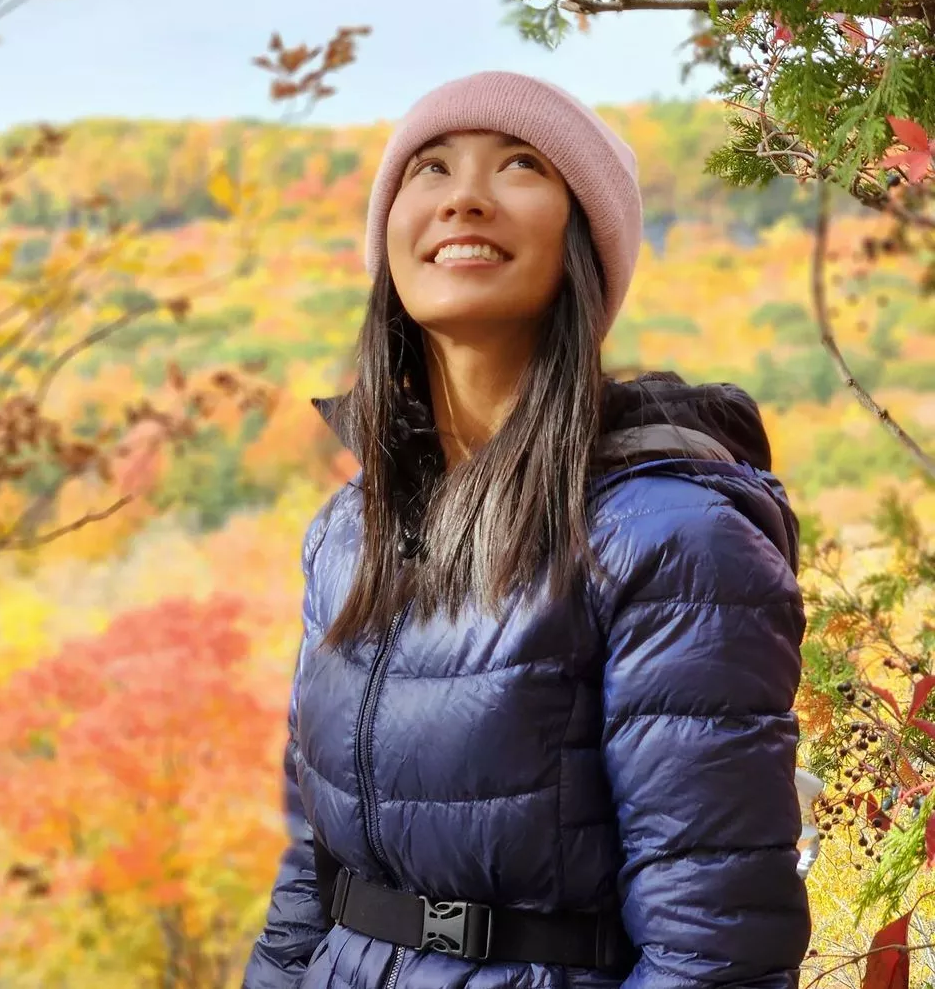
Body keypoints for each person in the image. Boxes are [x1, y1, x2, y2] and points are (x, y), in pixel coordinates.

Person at [241, 71, 811, 989]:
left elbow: (715, 949)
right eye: (429, 168)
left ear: (584, 242)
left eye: (519, 165)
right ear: (389, 240)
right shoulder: (351, 529)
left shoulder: (671, 536)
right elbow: (312, 870)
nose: (464, 195)